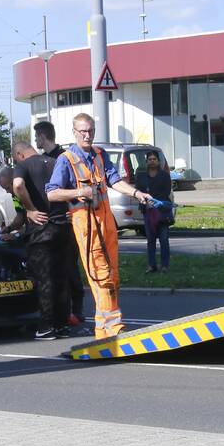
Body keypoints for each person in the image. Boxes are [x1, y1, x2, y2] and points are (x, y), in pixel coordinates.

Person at [46, 113, 151, 339]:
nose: (87, 135)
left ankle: (103, 329)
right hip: (87, 227)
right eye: (83, 131)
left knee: (113, 275)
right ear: (74, 133)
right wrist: (79, 192)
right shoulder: (67, 160)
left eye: (90, 130)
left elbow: (114, 180)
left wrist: (137, 193)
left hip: (107, 225)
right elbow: (52, 193)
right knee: (101, 276)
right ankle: (113, 326)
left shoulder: (100, 155)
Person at [11, 140, 71, 340]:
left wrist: (29, 209)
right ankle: (63, 324)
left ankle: (46, 326)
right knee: (62, 277)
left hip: (41, 229)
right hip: (62, 227)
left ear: (19, 155)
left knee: (44, 278)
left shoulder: (23, 166)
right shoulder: (55, 162)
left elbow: (18, 185)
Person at [34, 120, 85, 323]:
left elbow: (73, 187)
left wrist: (71, 209)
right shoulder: (41, 159)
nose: (36, 139)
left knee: (70, 267)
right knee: (55, 269)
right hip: (50, 223)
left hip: (68, 221)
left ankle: (78, 309)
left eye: (37, 136)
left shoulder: (64, 158)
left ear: (42, 136)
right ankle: (62, 311)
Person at [135, 150, 173, 273]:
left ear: (158, 161)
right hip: (148, 212)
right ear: (146, 162)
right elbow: (138, 192)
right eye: (150, 159)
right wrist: (146, 202)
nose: (152, 161)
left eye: (154, 159)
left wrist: (155, 202)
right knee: (150, 240)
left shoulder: (165, 175)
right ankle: (151, 265)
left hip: (162, 212)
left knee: (163, 240)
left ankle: (165, 266)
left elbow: (166, 192)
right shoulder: (141, 176)